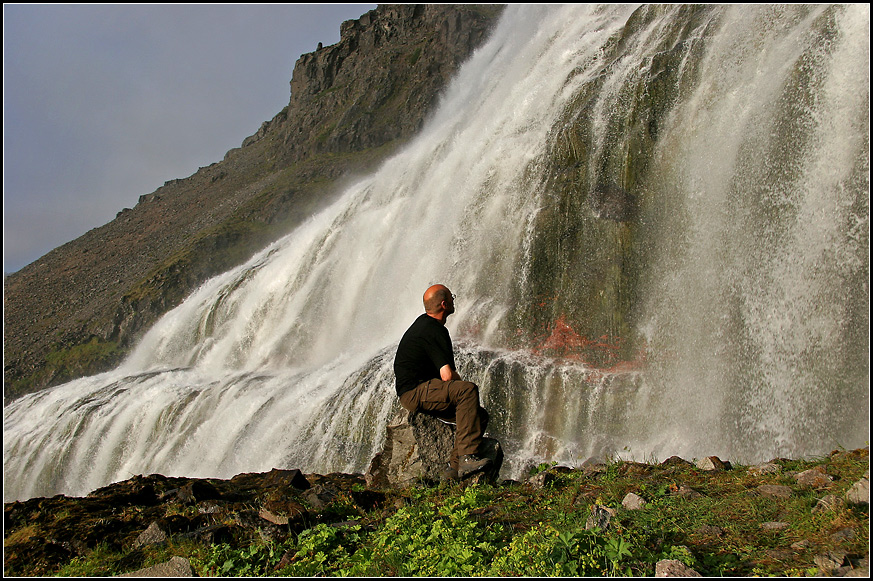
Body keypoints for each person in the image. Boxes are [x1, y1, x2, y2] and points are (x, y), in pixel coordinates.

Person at [393, 284, 491, 480]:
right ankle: (466, 458)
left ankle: (453, 471)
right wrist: (462, 387)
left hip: (418, 390)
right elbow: (447, 376)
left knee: (478, 416)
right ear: (444, 304)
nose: (455, 300)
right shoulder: (433, 329)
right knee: (467, 391)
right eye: (452, 298)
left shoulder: (424, 325)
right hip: (415, 391)